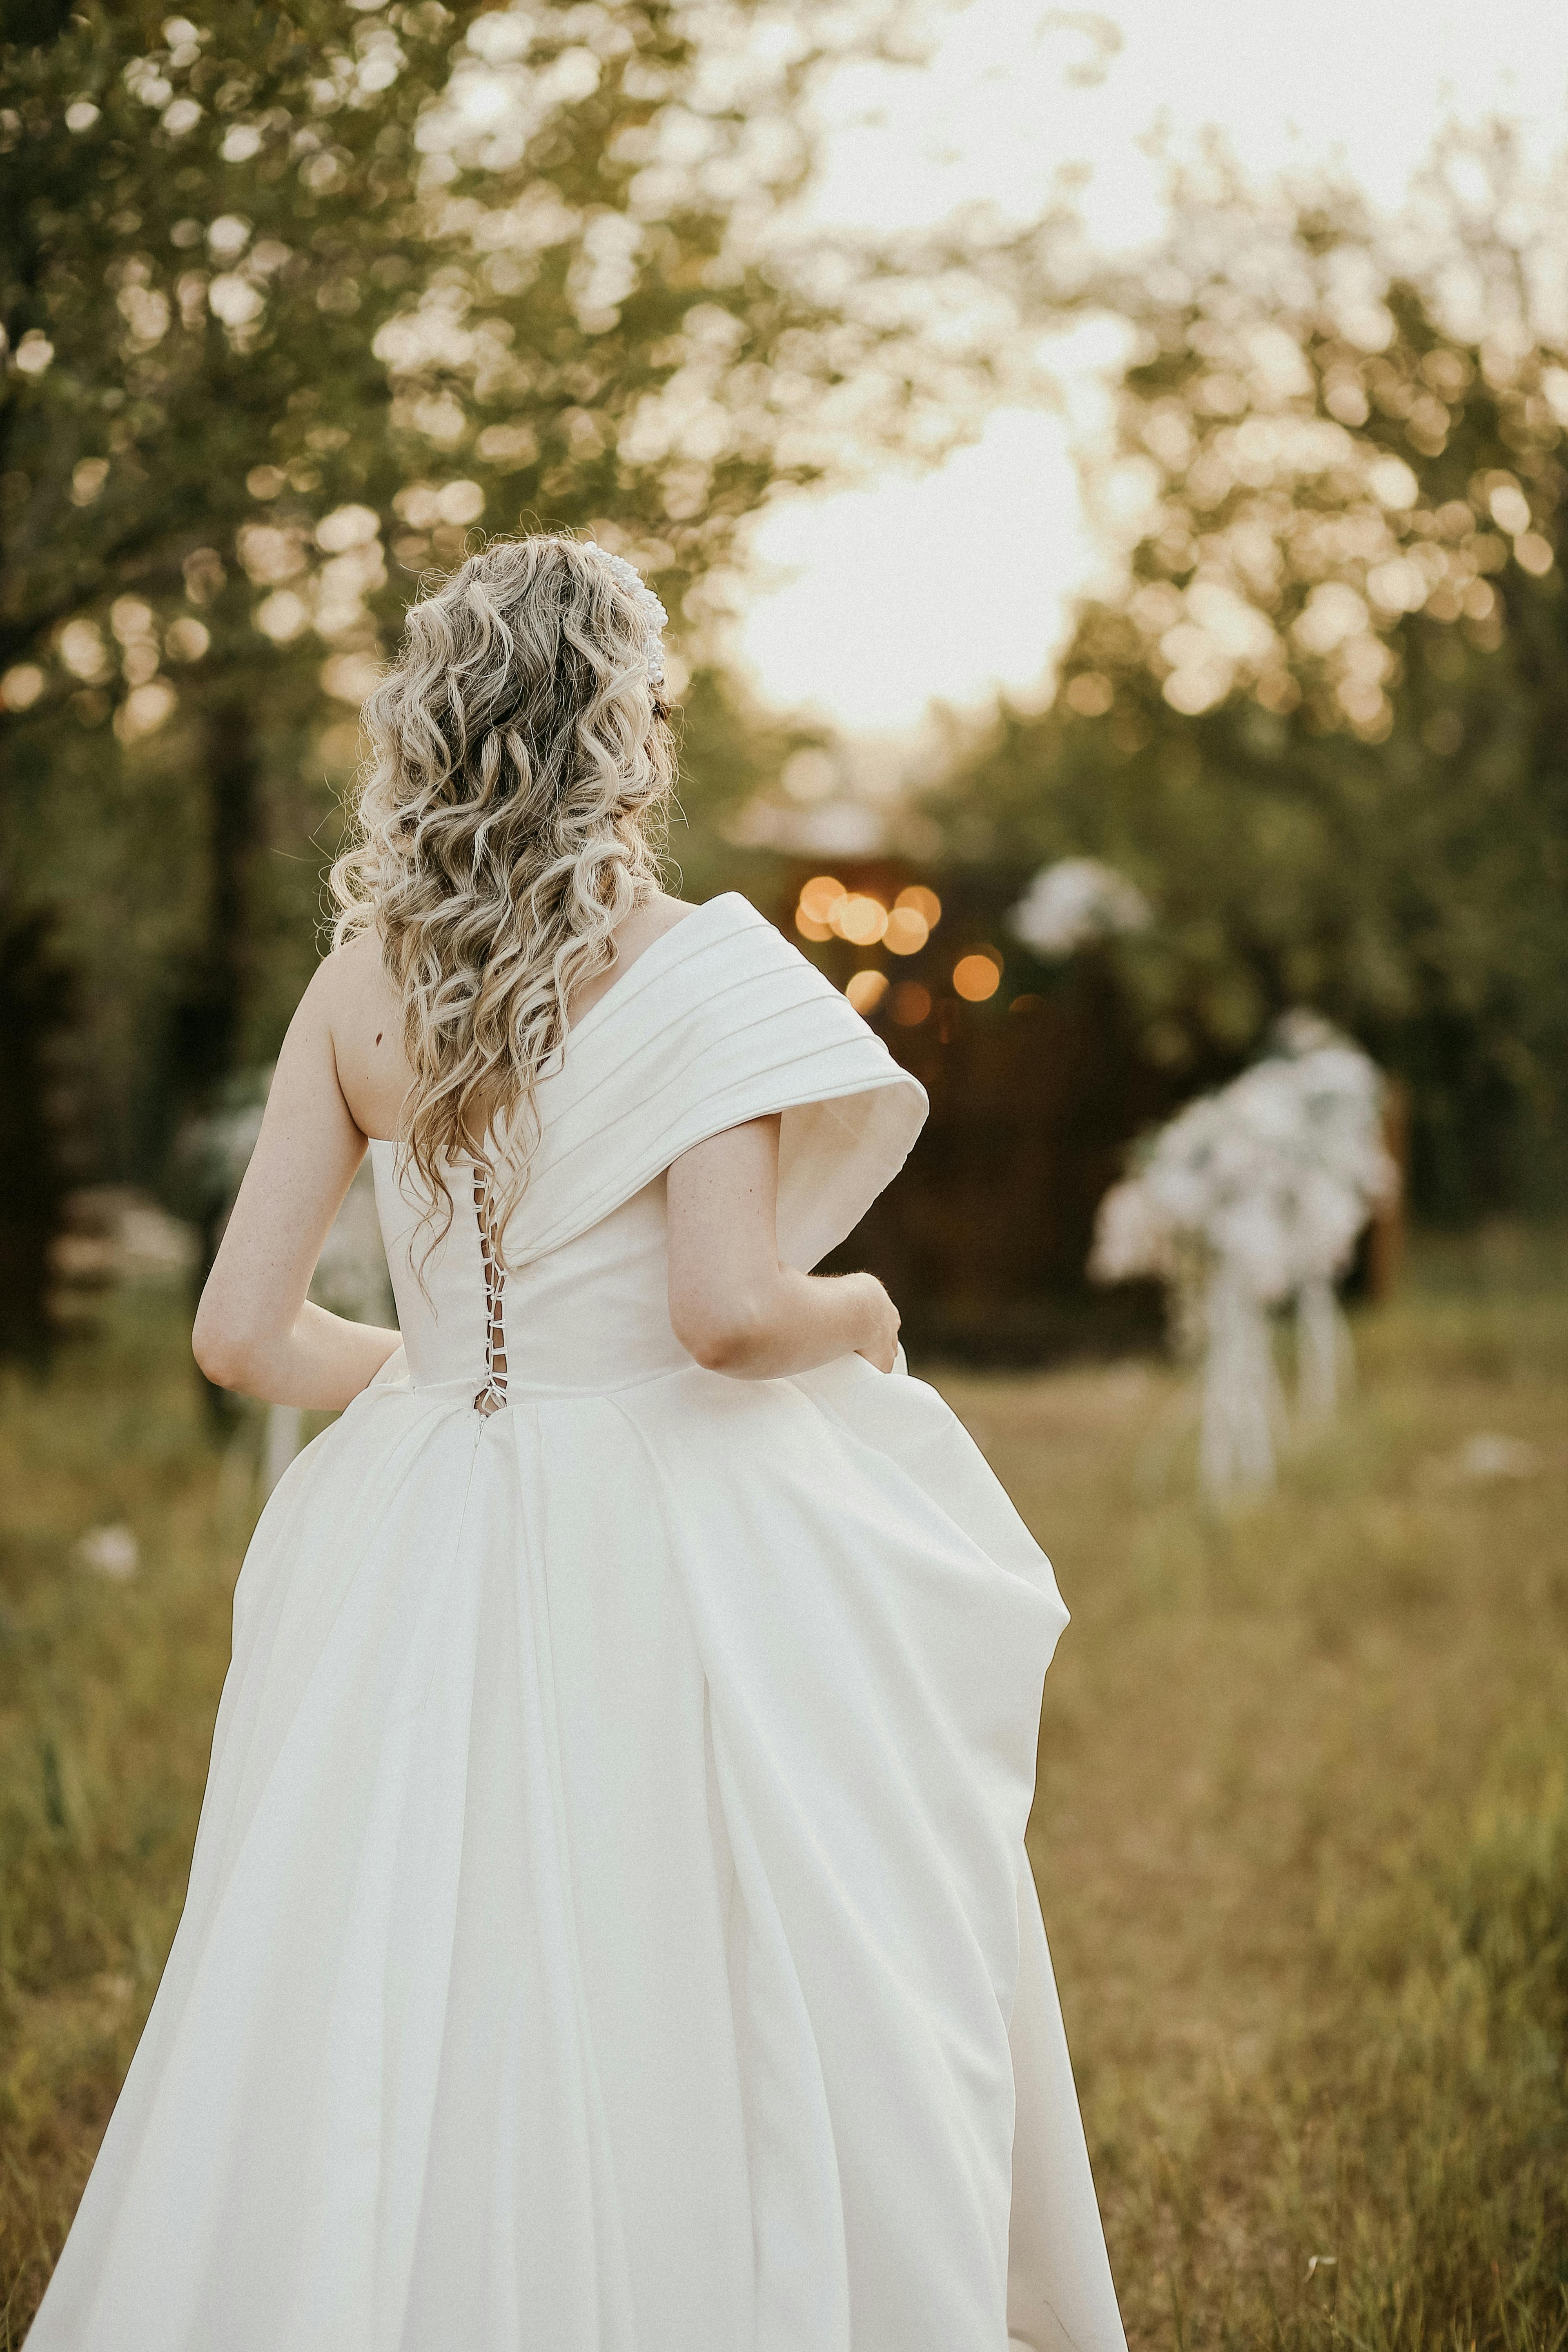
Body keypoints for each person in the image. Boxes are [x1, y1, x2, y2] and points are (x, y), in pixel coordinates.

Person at [27, 536, 1126, 2352]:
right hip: (668, 1518)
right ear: (625, 729)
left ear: (436, 730)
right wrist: (861, 1318)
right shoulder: (707, 975)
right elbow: (728, 1313)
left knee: (398, 1947)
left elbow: (236, 1334)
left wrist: (449, 1378)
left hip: (419, 1514)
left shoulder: (362, 987)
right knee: (729, 1936)